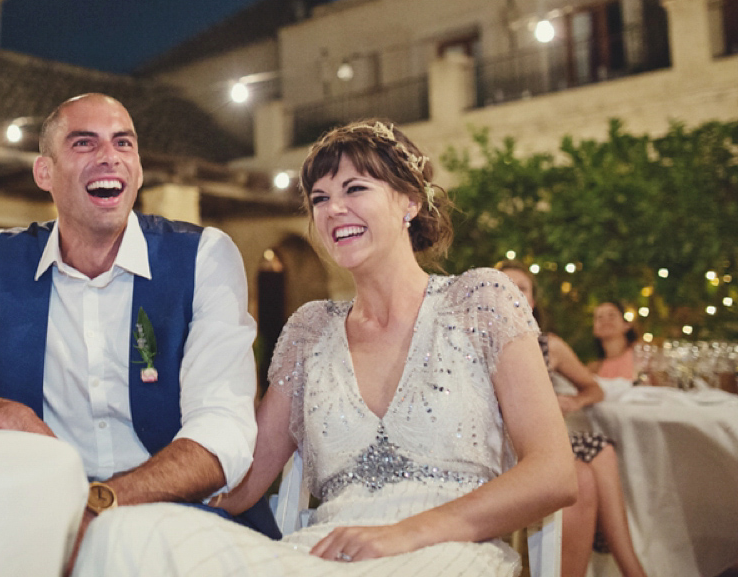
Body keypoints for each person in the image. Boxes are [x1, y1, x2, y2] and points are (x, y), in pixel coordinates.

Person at [72, 119, 576, 577]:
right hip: (322, 554)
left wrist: (405, 534)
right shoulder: (310, 331)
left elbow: (553, 473)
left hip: (449, 552)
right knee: (127, 536)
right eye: (319, 198)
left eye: (355, 188)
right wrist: (131, 491)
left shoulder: (479, 302)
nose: (334, 209)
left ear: (411, 201)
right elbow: (243, 481)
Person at [0, 94, 262, 560]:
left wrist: (101, 504)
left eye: (123, 143)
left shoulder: (204, 257)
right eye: (84, 143)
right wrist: (3, 415)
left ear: (136, 168)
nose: (109, 156)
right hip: (34, 511)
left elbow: (225, 427)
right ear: (44, 173)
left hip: (172, 515)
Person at [498, 264, 648, 577]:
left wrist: (575, 401)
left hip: (539, 442)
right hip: (496, 446)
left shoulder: (548, 345)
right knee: (586, 468)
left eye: (521, 287)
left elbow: (594, 388)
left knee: (592, 461)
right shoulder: (468, 339)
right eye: (504, 284)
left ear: (532, 302)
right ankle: (632, 569)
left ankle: (627, 568)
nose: (512, 292)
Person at [588, 302, 638, 381]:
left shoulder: (641, 356)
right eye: (599, 317)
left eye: (611, 316)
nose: (605, 320)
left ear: (626, 325)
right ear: (594, 330)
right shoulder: (593, 369)